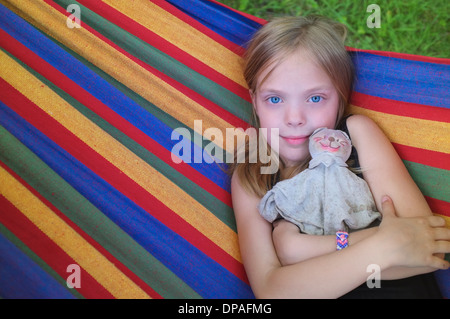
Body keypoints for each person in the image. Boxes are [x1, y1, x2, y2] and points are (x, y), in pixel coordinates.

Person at [229, 15, 450, 298]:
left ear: (341, 96)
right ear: (254, 101)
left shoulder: (357, 135)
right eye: (274, 99)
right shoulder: (252, 173)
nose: (294, 118)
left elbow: (428, 247)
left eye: (315, 98)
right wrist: (383, 245)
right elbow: (272, 292)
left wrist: (297, 250)